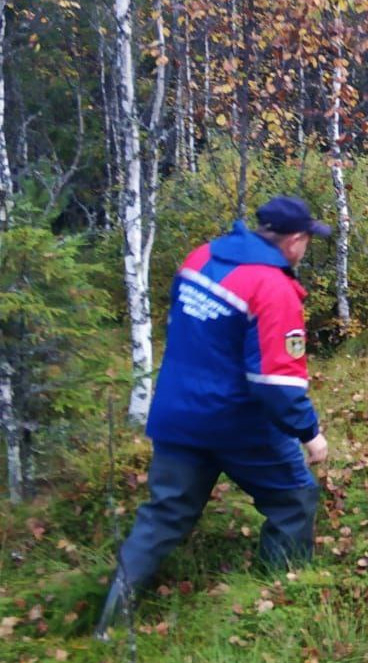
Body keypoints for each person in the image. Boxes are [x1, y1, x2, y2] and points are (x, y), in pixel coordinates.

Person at [96, 196, 331, 640]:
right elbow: (276, 385)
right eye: (306, 242)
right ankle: (281, 600)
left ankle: (109, 621)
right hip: (237, 424)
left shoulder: (200, 257)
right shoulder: (272, 287)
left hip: (177, 414)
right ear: (294, 240)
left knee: (163, 515)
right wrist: (310, 434)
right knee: (293, 500)